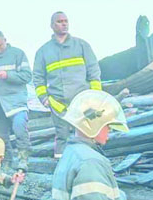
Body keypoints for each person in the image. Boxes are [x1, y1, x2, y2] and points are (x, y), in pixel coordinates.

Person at [33, 11, 102, 159]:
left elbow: (94, 71)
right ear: (52, 26)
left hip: (83, 101)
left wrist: (95, 95)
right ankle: (61, 166)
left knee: (88, 133)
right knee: (62, 136)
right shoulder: (43, 52)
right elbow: (38, 78)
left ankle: (91, 164)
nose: (64, 24)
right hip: (58, 103)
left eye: (66, 21)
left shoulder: (82, 45)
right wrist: (44, 98)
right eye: (59, 21)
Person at [0, 30, 32, 171]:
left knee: (19, 128)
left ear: (5, 40)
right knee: (0, 137)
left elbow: (27, 76)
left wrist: (7, 75)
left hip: (16, 101)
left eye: (0, 45)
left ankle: (23, 159)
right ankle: (7, 162)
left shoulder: (18, 54)